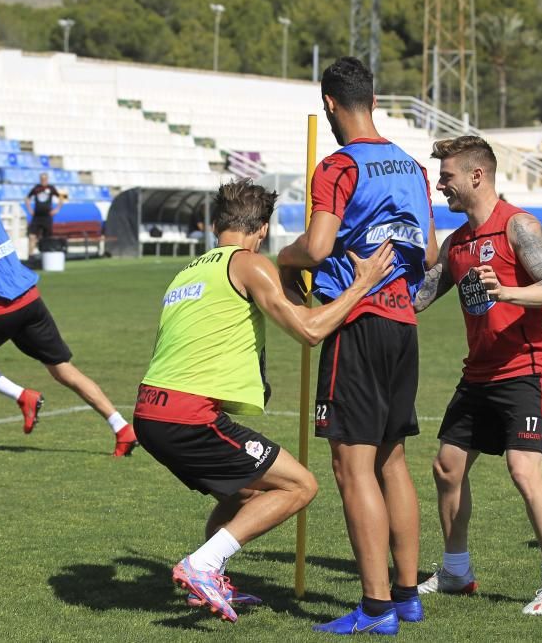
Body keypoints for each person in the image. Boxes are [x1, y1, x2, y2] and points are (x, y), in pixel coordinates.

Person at [137, 178, 396, 623]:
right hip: (188, 414)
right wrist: (361, 285)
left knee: (244, 492)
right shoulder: (250, 264)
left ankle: (209, 576)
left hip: (150, 411)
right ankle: (202, 564)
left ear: (217, 223)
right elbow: (310, 330)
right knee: (300, 485)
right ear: (261, 230)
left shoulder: (189, 271)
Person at [276, 56, 437, 636]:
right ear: (374, 99)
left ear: (329, 104)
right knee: (393, 459)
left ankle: (375, 609)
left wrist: (283, 258)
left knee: (352, 465)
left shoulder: (338, 166)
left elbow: (317, 248)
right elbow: (433, 253)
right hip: (402, 323)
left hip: (356, 322)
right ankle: (407, 595)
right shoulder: (413, 167)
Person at [413, 135, 542, 615]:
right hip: (478, 374)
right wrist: (357, 293)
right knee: (447, 467)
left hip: (526, 368)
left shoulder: (518, 226)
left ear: (476, 175)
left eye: (448, 176)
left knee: (523, 470)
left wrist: (505, 292)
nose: (443, 185)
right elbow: (418, 299)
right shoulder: (459, 244)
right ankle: (457, 572)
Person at [0, 149, 138, 456]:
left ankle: (22, 396)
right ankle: (121, 427)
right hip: (29, 299)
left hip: (0, 308)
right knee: (63, 370)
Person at [24, 172, 63, 256]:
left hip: (47, 217)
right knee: (32, 236)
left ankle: (45, 256)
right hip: (37, 216)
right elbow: (27, 198)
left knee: (47, 238)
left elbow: (61, 198)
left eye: (45, 179)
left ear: (47, 179)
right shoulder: (36, 188)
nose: (43, 181)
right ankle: (31, 256)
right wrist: (30, 210)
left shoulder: (51, 188)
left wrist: (57, 209)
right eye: (42, 179)